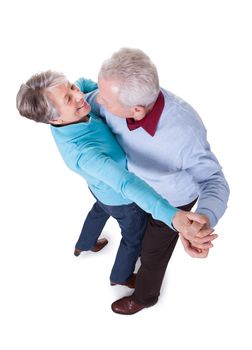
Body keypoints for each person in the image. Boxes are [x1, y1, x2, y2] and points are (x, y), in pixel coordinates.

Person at [16, 71, 213, 291]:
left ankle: (84, 244)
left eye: (71, 87)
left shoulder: (68, 114)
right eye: (69, 99)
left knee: (98, 210)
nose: (79, 95)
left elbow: (85, 82)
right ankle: (120, 276)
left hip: (99, 189)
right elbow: (126, 183)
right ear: (54, 119)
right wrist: (173, 216)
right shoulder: (84, 154)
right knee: (133, 237)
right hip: (119, 199)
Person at [84, 47, 230, 315]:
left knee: (153, 254)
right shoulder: (104, 99)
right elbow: (84, 98)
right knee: (137, 237)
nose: (96, 101)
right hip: (137, 191)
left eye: (104, 98)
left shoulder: (185, 132)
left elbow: (214, 180)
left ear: (136, 109)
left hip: (173, 201)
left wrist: (204, 220)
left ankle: (145, 297)